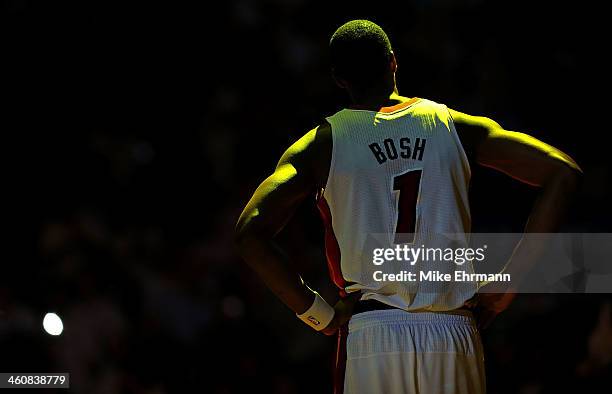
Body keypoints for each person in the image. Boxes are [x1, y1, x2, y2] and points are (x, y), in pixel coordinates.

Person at [235, 19, 581, 394]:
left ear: (338, 79)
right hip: (453, 331)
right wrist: (509, 283)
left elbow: (249, 233)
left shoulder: (320, 146)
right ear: (393, 62)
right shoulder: (454, 126)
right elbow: (563, 173)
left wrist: (320, 315)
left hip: (374, 333)